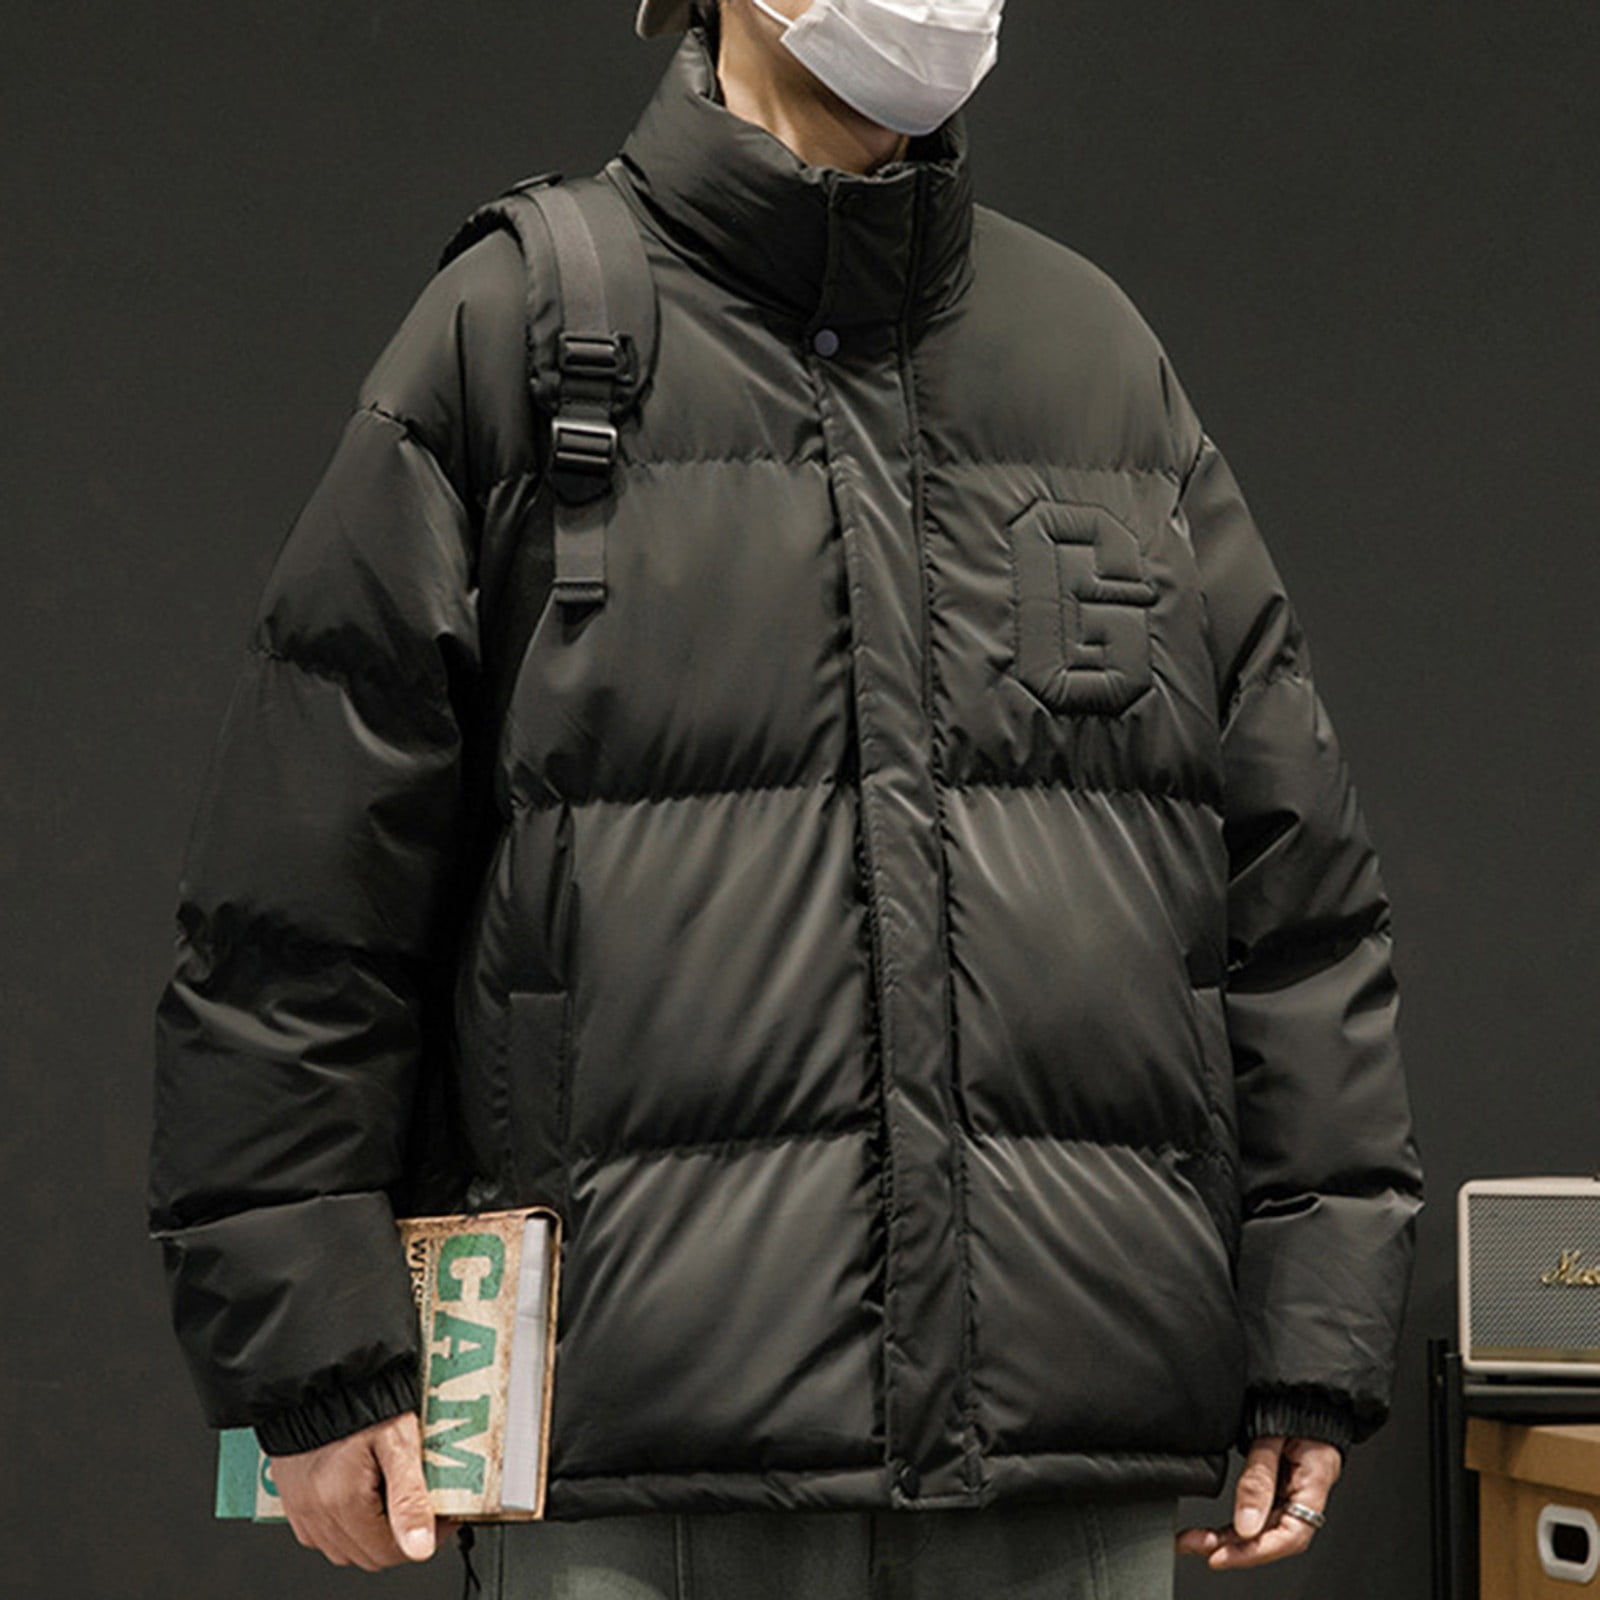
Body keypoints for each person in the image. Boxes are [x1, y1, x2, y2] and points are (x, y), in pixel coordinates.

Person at [147, 1, 1425, 1594]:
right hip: (650, 1467)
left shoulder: (1096, 361)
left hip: (1068, 1455)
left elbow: (1293, 898)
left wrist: (1310, 1330)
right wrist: (315, 1352)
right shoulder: (518, 335)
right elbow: (300, 902)